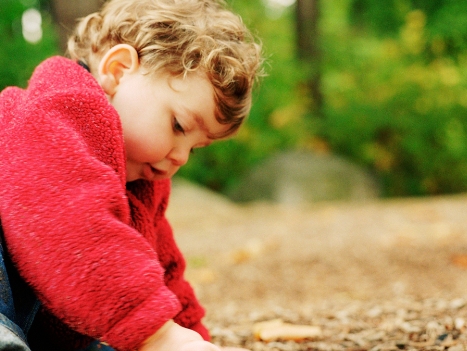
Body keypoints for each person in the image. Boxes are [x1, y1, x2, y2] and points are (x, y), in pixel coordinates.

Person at [0, 0, 263, 350]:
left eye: (196, 147)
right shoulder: (58, 109)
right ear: (119, 69)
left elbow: (162, 269)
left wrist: (191, 336)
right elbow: (73, 223)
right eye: (178, 125)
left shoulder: (142, 179)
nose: (181, 156)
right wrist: (159, 335)